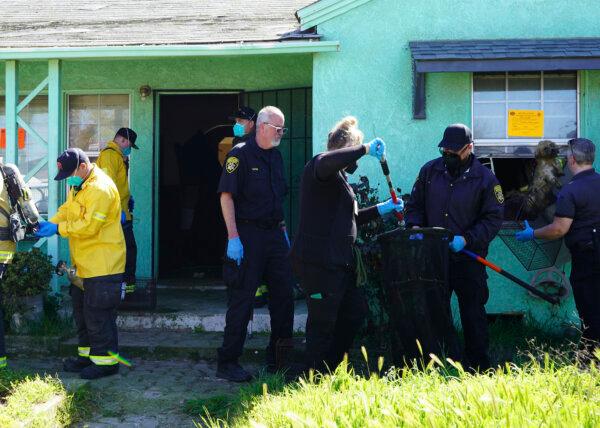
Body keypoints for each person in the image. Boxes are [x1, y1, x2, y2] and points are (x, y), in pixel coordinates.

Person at [290, 116, 403, 372]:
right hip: (318, 263)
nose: (357, 161)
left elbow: (352, 217)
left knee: (354, 312)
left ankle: (329, 368)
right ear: (347, 149)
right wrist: (364, 148)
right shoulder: (319, 167)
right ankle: (313, 377)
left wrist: (383, 209)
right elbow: (327, 161)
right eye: (356, 150)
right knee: (322, 321)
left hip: (339, 263)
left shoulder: (340, 179)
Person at [404, 123, 504, 370]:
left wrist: (467, 239)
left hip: (468, 258)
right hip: (434, 257)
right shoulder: (429, 171)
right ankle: (432, 364)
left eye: (453, 152)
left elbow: (493, 219)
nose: (447, 156)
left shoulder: (486, 180)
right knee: (432, 311)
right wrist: (415, 227)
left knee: (472, 313)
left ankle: (478, 366)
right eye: (444, 151)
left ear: (468, 149)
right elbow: (414, 205)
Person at [216, 106, 294, 382]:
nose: (281, 133)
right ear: (262, 126)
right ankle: (228, 361)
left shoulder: (276, 157)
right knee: (243, 299)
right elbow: (226, 196)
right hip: (247, 235)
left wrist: (283, 229)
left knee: (284, 296)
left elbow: (277, 197)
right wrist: (233, 238)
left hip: (274, 235)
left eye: (283, 129)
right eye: (278, 128)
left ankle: (279, 359)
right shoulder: (239, 155)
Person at [35, 148, 126, 379]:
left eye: (70, 174)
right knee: (83, 316)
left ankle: (106, 364)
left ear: (83, 167)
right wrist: (49, 223)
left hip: (103, 265)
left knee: (98, 317)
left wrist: (57, 229)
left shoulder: (100, 188)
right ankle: (87, 358)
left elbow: (89, 226)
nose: (68, 179)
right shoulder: (79, 185)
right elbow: (68, 210)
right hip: (84, 266)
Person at [516, 138, 600, 349]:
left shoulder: (570, 191)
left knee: (590, 313)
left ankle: (591, 361)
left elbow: (559, 229)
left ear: (571, 160)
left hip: (587, 260)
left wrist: (532, 233)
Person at [96, 127, 138, 294]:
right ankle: (124, 289)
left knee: (128, 250)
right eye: (129, 144)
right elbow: (108, 186)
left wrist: (128, 197)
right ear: (122, 141)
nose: (129, 149)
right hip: (116, 215)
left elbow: (118, 185)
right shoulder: (109, 156)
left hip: (123, 211)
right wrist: (117, 210)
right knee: (126, 251)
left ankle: (126, 288)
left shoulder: (119, 157)